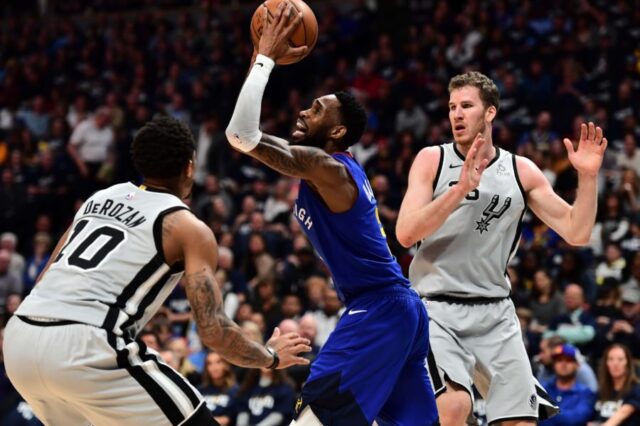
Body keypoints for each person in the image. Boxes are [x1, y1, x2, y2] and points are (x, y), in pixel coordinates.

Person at [2, 115, 311, 426]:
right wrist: (269, 357)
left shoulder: (99, 197)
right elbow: (213, 329)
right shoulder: (187, 226)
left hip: (20, 338)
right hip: (86, 344)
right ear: (190, 165)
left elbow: (44, 277)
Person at [225, 3, 438, 425]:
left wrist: (266, 56)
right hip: (398, 310)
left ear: (338, 132)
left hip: (377, 309)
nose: (304, 111)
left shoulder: (331, 168)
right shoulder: (330, 173)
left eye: (318, 109)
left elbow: (240, 134)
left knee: (314, 417)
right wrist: (257, 57)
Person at [397, 71, 607, 425]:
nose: (456, 115)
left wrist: (587, 178)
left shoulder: (520, 170)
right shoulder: (431, 159)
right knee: (453, 407)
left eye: (466, 106)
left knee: (521, 421)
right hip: (436, 309)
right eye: (451, 107)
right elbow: (405, 233)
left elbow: (578, 231)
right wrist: (458, 191)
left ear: (490, 113)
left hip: (495, 313)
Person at [540, 344, 596, 426]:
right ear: (553, 365)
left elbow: (575, 420)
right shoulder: (543, 389)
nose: (563, 364)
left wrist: (545, 410)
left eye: (568, 360)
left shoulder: (586, 393)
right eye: (559, 360)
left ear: (577, 365)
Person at [591, 343, 640, 426]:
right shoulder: (600, 392)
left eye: (620, 359)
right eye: (611, 359)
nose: (615, 364)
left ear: (627, 364)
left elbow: (622, 413)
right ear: (606, 364)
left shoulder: (636, 389)